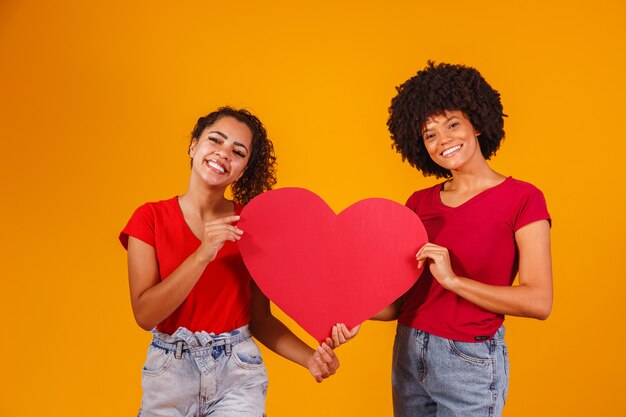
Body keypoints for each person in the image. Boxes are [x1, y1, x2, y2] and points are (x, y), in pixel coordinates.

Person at [334, 62, 553, 417]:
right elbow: (402, 302)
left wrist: (453, 280)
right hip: (408, 352)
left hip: (468, 360)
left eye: (452, 124)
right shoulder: (418, 203)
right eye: (429, 134)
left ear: (477, 124)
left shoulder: (523, 199)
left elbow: (539, 301)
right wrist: (357, 312)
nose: (443, 140)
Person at [119, 107, 339, 417]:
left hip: (237, 371)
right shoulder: (150, 218)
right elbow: (145, 314)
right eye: (215, 141)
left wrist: (310, 358)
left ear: (244, 169)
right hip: (170, 372)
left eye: (238, 151)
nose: (223, 154)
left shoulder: (252, 228)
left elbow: (260, 319)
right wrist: (202, 254)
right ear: (194, 146)